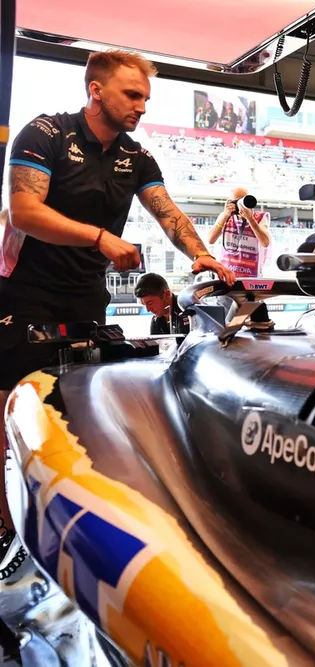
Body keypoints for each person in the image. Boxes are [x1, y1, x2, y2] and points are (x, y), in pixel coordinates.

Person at [0, 48, 235, 561]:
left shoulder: (136, 156)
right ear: (96, 91)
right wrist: (101, 237)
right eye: (132, 95)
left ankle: (58, 532)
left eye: (146, 97)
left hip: (87, 298)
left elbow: (168, 213)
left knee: (67, 413)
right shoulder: (45, 133)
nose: (142, 106)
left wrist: (201, 256)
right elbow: (22, 212)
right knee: (9, 412)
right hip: (23, 294)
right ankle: (5, 527)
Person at [207, 187, 272, 278]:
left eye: (244, 199)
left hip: (251, 276)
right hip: (227, 274)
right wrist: (225, 216)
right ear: (230, 202)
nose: (241, 204)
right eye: (237, 201)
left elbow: (265, 243)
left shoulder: (260, 217)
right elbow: (210, 240)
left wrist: (251, 220)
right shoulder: (225, 216)